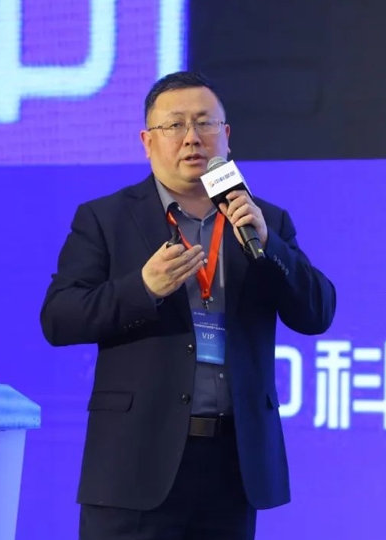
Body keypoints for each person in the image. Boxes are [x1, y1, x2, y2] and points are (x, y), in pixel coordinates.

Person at [40, 71, 336, 540]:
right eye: (174, 125)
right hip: (134, 465)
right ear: (147, 141)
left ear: (226, 136)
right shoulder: (105, 218)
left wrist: (270, 245)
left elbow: (317, 313)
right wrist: (143, 288)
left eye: (205, 123)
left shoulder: (264, 220)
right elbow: (59, 317)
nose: (192, 137)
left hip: (233, 465)